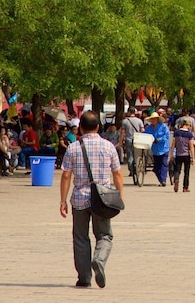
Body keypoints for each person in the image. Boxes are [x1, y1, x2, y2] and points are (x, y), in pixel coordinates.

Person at [59, 111, 123, 288]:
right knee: (104, 235)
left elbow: (66, 176)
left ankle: (84, 277)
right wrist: (120, 194)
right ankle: (99, 259)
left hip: (79, 199)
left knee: (80, 238)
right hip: (102, 199)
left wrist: (63, 201)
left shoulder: (73, 147)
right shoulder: (108, 146)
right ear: (97, 127)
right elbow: (117, 173)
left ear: (80, 128)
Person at [143, 113, 170, 186]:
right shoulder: (149, 128)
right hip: (155, 150)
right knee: (156, 168)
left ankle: (163, 180)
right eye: (152, 119)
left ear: (157, 119)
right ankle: (161, 180)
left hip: (164, 149)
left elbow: (167, 136)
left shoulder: (163, 126)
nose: (153, 120)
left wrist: (159, 139)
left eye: (155, 119)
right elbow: (144, 134)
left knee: (163, 165)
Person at [171, 121, 195, 193]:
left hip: (178, 154)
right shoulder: (189, 134)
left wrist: (171, 155)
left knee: (177, 170)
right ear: (187, 125)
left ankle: (176, 179)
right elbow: (191, 146)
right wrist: (193, 157)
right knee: (186, 172)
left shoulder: (176, 133)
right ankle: (185, 187)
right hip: (186, 154)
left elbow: (173, 145)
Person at [120, 108, 144, 177]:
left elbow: (122, 133)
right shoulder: (139, 121)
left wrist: (120, 141)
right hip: (137, 140)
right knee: (136, 155)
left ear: (129, 112)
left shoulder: (125, 121)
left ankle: (131, 170)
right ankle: (137, 168)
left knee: (130, 155)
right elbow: (142, 130)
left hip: (128, 139)